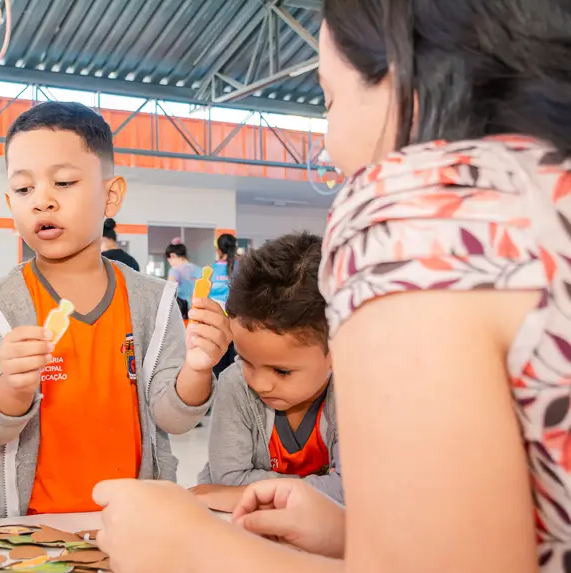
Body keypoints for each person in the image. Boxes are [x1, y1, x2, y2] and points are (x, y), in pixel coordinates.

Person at [90, 0, 571, 572]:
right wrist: (351, 535)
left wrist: (191, 549)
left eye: (330, 98)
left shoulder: (412, 208)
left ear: (402, 81)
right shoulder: (547, 191)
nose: (327, 141)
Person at [0, 101, 231, 517]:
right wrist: (13, 388)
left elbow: (174, 418)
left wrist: (198, 369)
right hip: (29, 532)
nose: (42, 201)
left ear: (111, 195)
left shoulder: (153, 302)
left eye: (64, 182)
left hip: (134, 521)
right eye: (23, 189)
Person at [191, 233, 341, 513]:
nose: (260, 384)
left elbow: (353, 489)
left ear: (337, 351)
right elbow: (229, 480)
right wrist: (321, 487)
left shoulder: (350, 393)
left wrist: (245, 493)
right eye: (245, 360)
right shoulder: (235, 384)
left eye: (282, 371)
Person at [210, 233, 238, 377]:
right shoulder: (241, 268)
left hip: (216, 323)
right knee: (235, 364)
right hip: (236, 322)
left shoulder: (210, 270)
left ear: (218, 250)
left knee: (218, 363)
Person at [165, 240, 199, 305]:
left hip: (182, 308)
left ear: (172, 255)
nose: (170, 263)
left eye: (169, 260)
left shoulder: (174, 270)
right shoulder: (198, 269)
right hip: (197, 306)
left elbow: (169, 290)